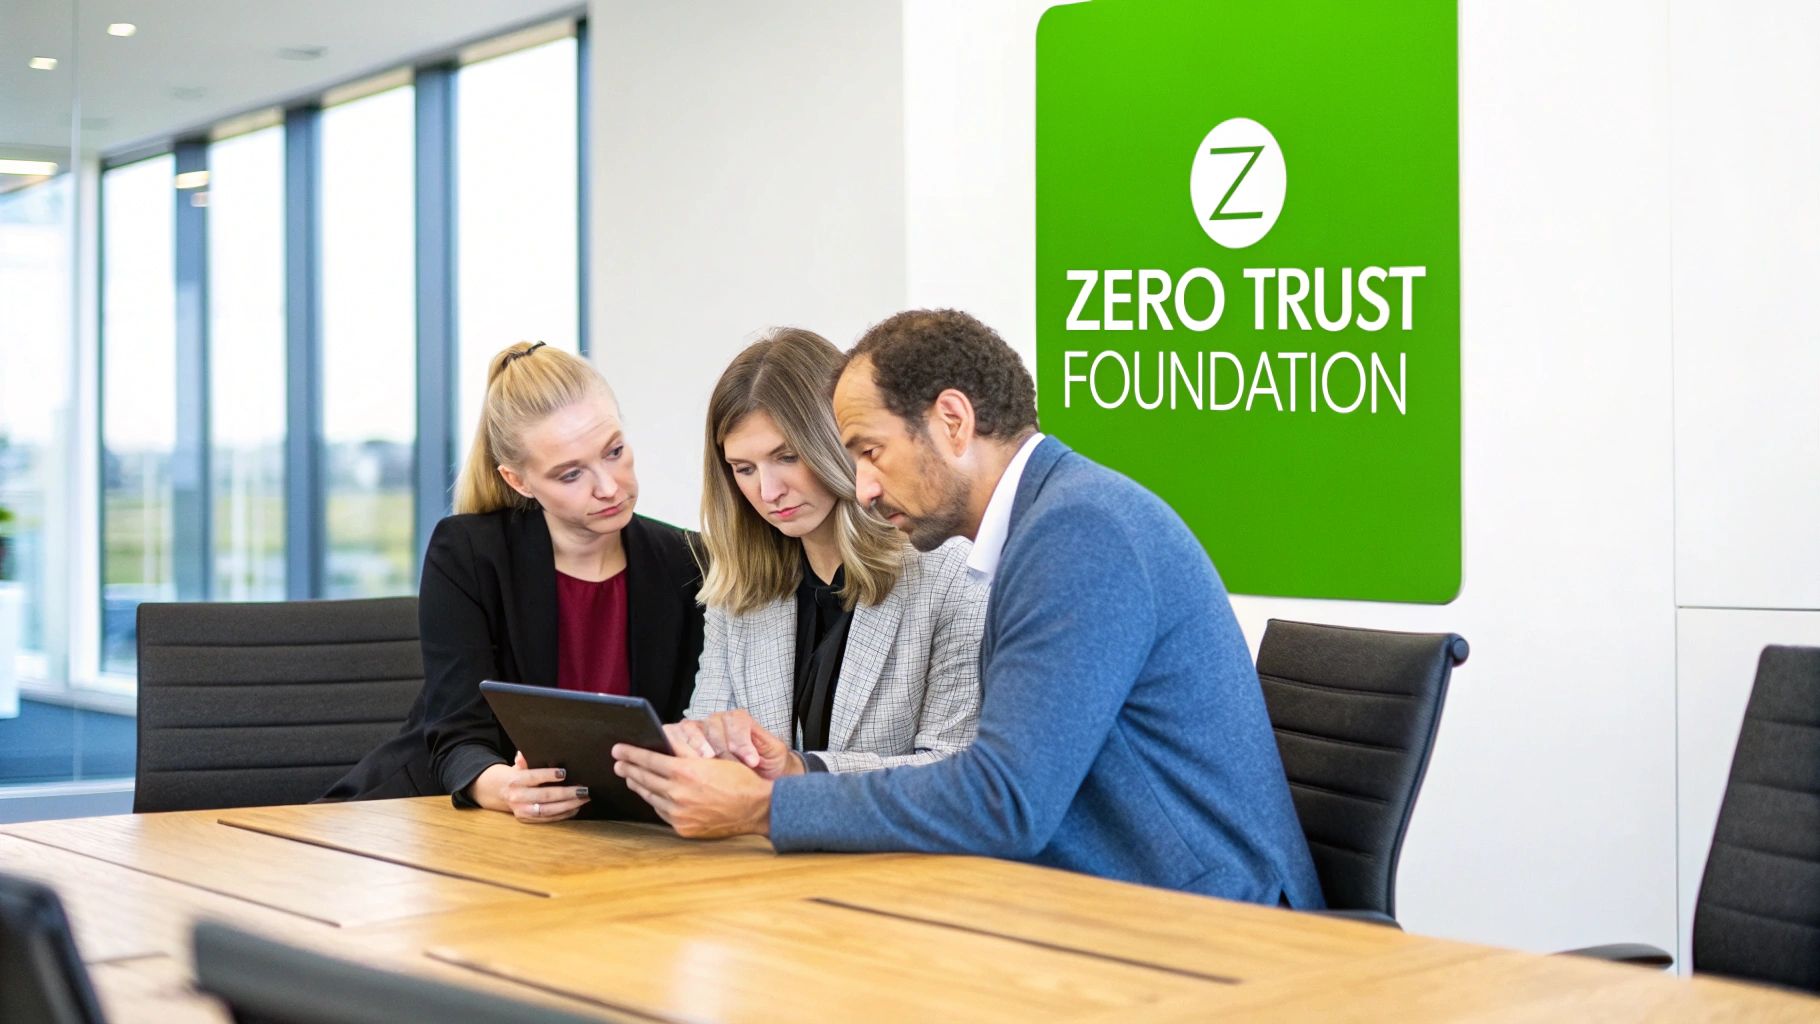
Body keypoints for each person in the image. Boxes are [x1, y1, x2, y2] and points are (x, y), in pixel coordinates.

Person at [613, 310, 1322, 907]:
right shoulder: (1052, 521)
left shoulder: (1080, 532)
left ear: (952, 421)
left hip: (1216, 924)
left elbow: (1005, 801)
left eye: (869, 451)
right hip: (1109, 903)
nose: (860, 488)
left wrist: (767, 805)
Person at [323, 341, 705, 824]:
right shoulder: (469, 553)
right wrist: (505, 787)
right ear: (518, 481)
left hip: (620, 832)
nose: (609, 487)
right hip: (443, 819)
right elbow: (456, 735)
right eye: (570, 475)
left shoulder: (689, 562)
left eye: (614, 452)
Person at [673, 328, 984, 778]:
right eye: (744, 469)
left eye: (788, 457)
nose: (768, 491)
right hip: (757, 847)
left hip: (897, 850)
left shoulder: (950, 570)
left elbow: (955, 769)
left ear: (840, 440)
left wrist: (802, 773)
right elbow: (704, 741)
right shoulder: (739, 588)